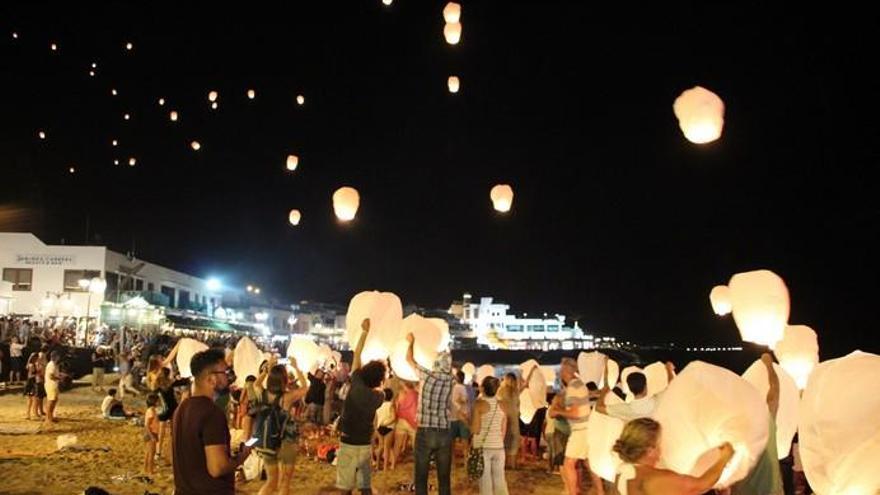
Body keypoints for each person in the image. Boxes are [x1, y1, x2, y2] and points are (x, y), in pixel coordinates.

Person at [172, 348, 247, 495]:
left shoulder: (181, 408)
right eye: (225, 372)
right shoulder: (211, 413)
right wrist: (242, 456)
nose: (229, 377)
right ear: (211, 379)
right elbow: (217, 467)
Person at [612, 418, 734, 495]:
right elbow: (701, 485)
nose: (661, 448)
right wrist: (724, 458)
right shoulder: (657, 479)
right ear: (650, 450)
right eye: (659, 444)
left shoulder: (622, 470)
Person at [336, 318, 386, 495]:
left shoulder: (356, 382)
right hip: (364, 443)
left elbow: (356, 354)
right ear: (379, 380)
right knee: (365, 486)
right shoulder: (378, 397)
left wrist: (364, 331)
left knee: (345, 486)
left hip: (347, 439)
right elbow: (382, 391)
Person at [404, 332, 454, 495]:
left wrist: (411, 342)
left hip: (425, 429)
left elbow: (409, 359)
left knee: (421, 475)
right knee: (444, 477)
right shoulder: (451, 380)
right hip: (445, 431)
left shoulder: (427, 376)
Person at [253, 357, 309, 495]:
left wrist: (267, 369)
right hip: (286, 441)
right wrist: (296, 367)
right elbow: (305, 387)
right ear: (284, 381)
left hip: (266, 442)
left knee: (271, 481)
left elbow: (256, 383)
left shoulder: (262, 393)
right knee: (285, 481)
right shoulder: (287, 397)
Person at [730, 353, 784, 495]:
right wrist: (769, 365)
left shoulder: (732, 431)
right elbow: (775, 390)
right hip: (771, 490)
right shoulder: (766, 422)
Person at [549, 357, 604, 495]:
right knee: (588, 462)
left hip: (580, 430)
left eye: (561, 369)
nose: (560, 372)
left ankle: (572, 492)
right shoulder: (580, 384)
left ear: (566, 371)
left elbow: (575, 413)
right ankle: (600, 491)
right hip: (587, 428)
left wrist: (557, 411)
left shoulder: (573, 387)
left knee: (568, 464)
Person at [597, 363, 675, 421]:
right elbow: (672, 386)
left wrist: (604, 392)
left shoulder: (626, 409)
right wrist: (669, 370)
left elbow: (599, 408)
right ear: (645, 387)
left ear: (630, 389)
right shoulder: (657, 401)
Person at [471, 376, 509, 495]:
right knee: (500, 480)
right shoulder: (503, 404)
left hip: (483, 448)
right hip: (498, 447)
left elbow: (475, 430)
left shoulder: (479, 404)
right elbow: (504, 428)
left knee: (485, 482)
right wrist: (498, 441)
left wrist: (464, 420)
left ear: (482, 388)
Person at [391, 379, 418, 469]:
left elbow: (396, 406)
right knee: (416, 445)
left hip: (401, 420)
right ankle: (417, 465)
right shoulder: (416, 394)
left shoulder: (401, 394)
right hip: (413, 422)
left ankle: (393, 464)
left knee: (397, 444)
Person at [450, 370, 471, 467]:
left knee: (452, 441)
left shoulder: (457, 387)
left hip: (455, 417)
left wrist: (459, 402)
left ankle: (453, 462)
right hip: (462, 416)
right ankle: (465, 461)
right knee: (464, 440)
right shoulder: (463, 387)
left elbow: (464, 399)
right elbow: (466, 400)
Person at [374, 388, 396, 472]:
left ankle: (377, 465)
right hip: (388, 427)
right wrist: (386, 423)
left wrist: (377, 427)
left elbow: (376, 418)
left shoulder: (378, 405)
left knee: (380, 446)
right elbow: (394, 417)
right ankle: (385, 468)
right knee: (387, 448)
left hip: (380, 427)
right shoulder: (391, 405)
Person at [44, 350, 63, 427]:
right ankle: (48, 418)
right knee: (51, 401)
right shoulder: (51, 365)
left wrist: (60, 375)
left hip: (53, 384)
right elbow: (51, 376)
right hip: (51, 384)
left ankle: (50, 416)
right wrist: (59, 378)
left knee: (54, 401)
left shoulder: (54, 364)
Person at [144, 393, 160, 474]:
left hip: (152, 433)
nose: (159, 402)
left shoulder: (151, 410)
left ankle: (146, 469)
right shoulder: (151, 411)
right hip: (151, 433)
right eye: (158, 401)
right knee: (151, 453)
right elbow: (147, 425)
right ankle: (150, 470)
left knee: (148, 452)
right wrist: (152, 436)